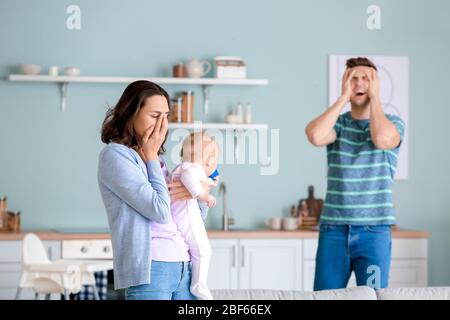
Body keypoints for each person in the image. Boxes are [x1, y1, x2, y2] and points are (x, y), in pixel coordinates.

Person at [98, 80, 210, 300]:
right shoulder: (115, 156)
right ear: (131, 114)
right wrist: (150, 155)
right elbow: (159, 211)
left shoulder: (157, 162)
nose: (163, 124)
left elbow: (193, 218)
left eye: (166, 116)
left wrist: (201, 190)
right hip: (151, 267)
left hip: (183, 266)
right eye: (155, 115)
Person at [305, 57, 405, 290]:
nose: (359, 83)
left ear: (376, 84)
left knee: (374, 296)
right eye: (352, 78)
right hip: (334, 231)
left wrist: (376, 97)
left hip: (375, 231)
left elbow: (381, 139)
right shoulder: (338, 125)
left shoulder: (393, 124)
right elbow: (315, 136)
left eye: (366, 79)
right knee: (324, 298)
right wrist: (342, 98)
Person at [164, 131, 219, 300]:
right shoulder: (190, 169)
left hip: (182, 217)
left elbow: (194, 179)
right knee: (203, 251)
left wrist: (208, 182)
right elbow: (190, 179)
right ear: (210, 160)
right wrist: (202, 195)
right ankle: (198, 285)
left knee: (199, 251)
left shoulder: (185, 167)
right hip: (186, 218)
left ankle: (198, 283)